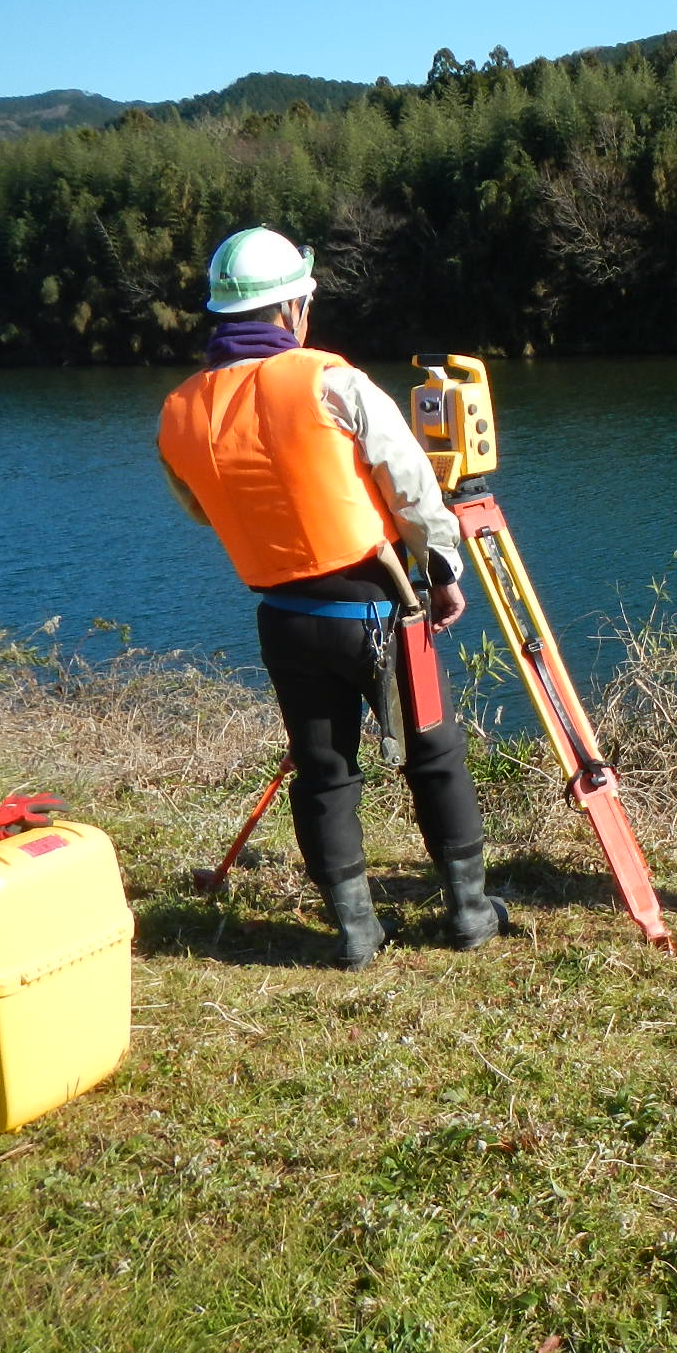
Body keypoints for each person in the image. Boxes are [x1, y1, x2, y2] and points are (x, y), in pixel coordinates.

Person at [157, 227, 503, 970]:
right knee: (433, 754)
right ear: (293, 308)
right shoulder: (330, 380)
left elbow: (201, 507)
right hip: (380, 607)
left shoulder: (180, 409)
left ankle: (354, 934)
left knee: (323, 771)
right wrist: (445, 570)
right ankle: (470, 912)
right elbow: (407, 482)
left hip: (285, 619)